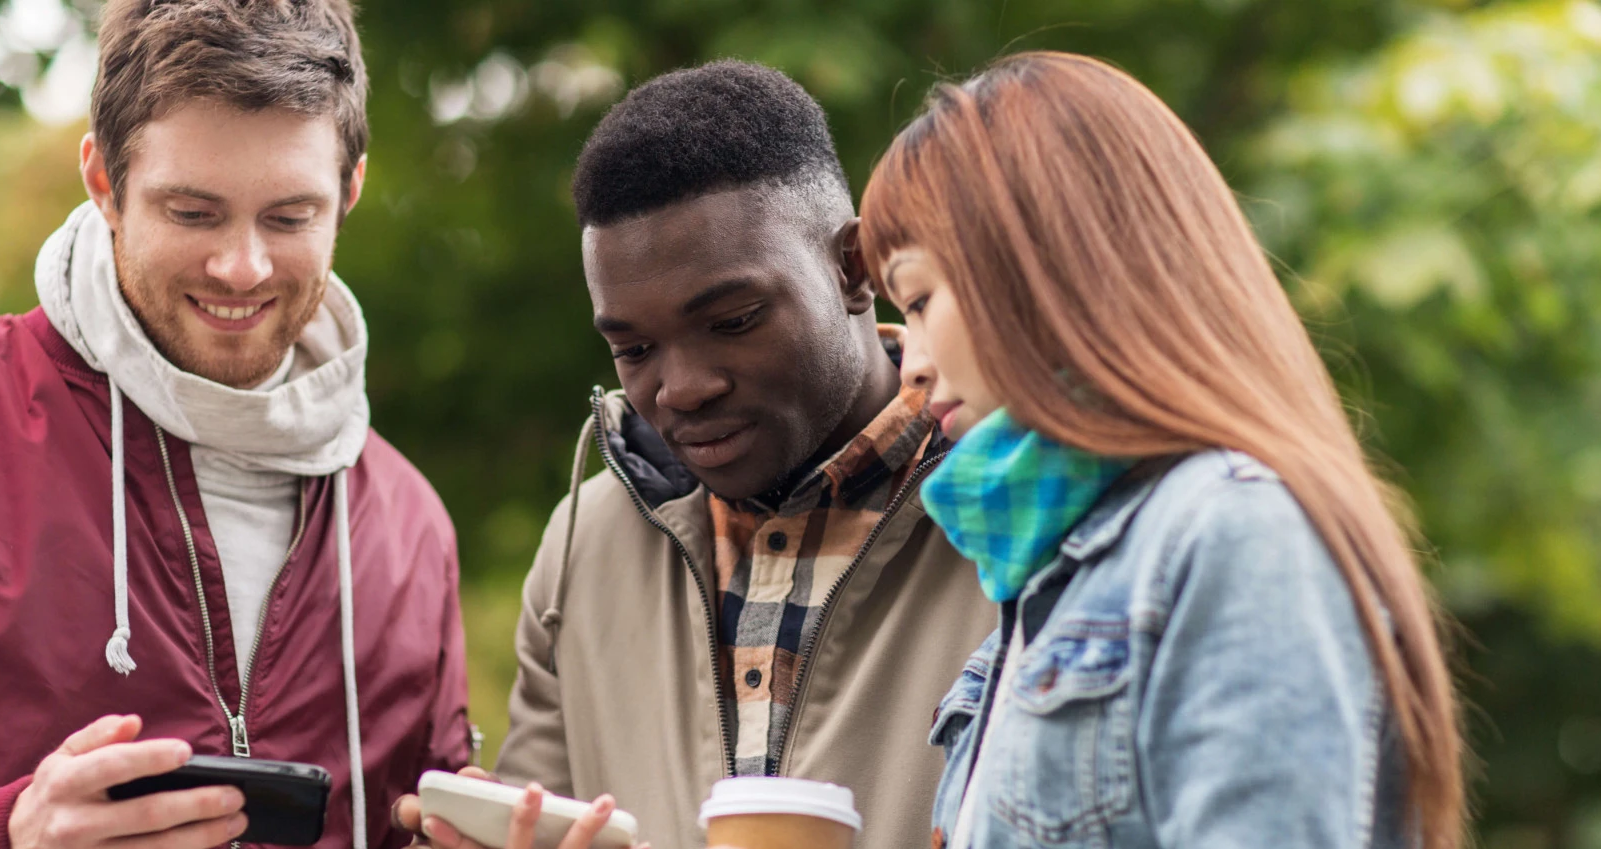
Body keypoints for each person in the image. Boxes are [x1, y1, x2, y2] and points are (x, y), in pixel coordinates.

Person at [0, 0, 472, 846]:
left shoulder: (410, 518)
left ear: (350, 189)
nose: (242, 266)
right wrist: (2, 831)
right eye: (193, 213)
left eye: (290, 217)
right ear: (103, 181)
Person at [858, 51, 1468, 848]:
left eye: (920, 298)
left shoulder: (1233, 532)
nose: (913, 360)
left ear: (1048, 264)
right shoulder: (1050, 580)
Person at [396, 60, 995, 849]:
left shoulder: (1026, 509)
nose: (682, 388)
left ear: (853, 269)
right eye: (635, 347)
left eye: (735, 320)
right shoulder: (584, 545)